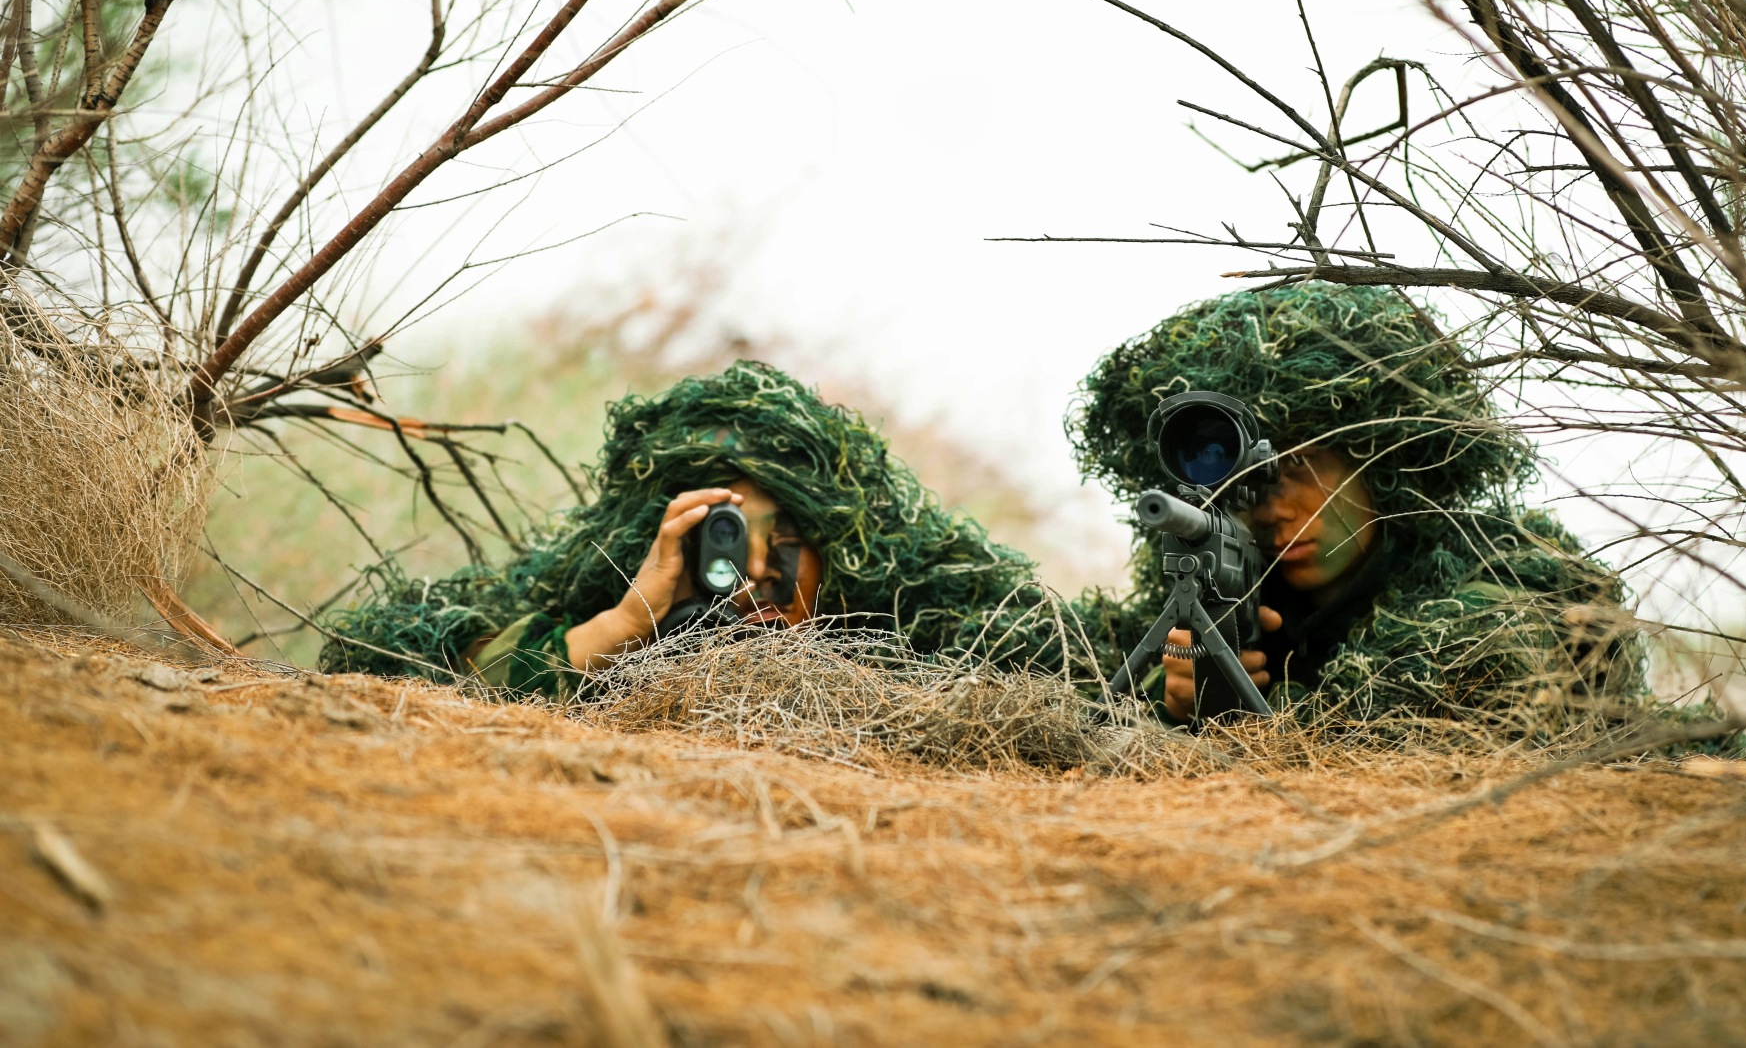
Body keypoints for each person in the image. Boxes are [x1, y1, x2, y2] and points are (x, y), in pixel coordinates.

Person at [1063, 283, 1647, 730]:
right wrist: (1177, 699)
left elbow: (1443, 721)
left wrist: (1264, 707)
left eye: (1299, 471)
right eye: (1251, 489)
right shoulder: (1232, 592)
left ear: (1374, 466)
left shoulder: (1488, 580)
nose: (1273, 513)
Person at [319, 361, 1060, 698]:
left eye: (791, 536)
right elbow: (426, 685)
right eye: (728, 531)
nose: (760, 569)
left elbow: (1084, 687)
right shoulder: (618, 653)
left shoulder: (917, 648)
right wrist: (625, 621)